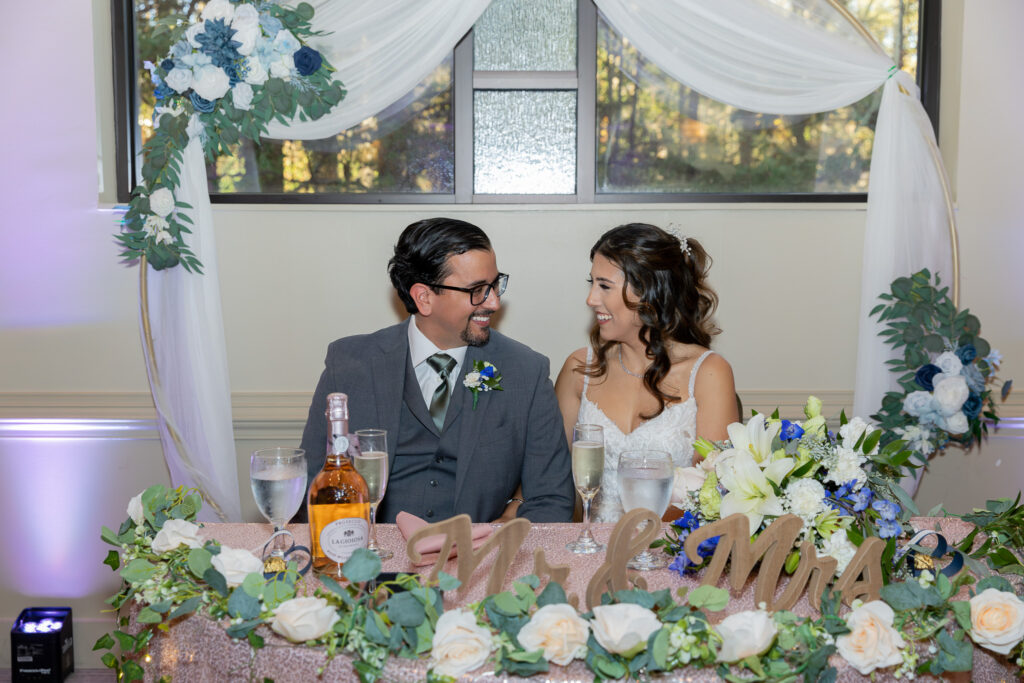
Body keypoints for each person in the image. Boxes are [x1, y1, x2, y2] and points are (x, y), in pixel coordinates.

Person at [298, 217, 574, 524]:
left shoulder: (526, 371)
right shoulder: (350, 364)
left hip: (479, 560)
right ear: (423, 297)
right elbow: (312, 484)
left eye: (496, 285)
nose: (494, 302)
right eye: (478, 290)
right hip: (372, 554)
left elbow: (551, 499)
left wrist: (491, 544)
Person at [554, 223, 738, 523]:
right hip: (589, 548)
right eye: (592, 283)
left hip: (671, 551)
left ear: (649, 293)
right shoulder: (579, 369)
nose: (591, 299)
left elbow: (712, 491)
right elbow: (551, 478)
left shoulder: (708, 373)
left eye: (604, 285)